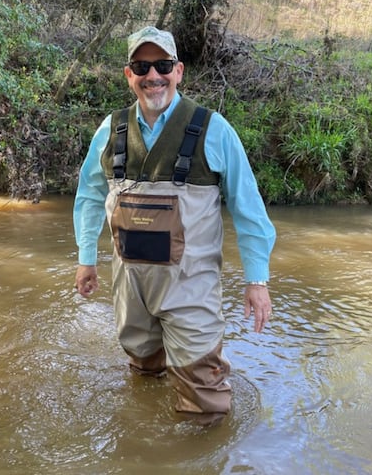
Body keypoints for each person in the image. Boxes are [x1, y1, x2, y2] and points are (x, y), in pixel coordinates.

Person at [72, 26, 277, 426]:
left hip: (191, 288)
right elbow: (88, 196)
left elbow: (249, 208)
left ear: (178, 71)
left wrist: (257, 281)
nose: (153, 75)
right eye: (142, 66)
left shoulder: (214, 129)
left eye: (163, 65)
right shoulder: (109, 131)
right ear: (129, 74)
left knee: (206, 401)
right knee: (144, 376)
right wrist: (86, 259)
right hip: (131, 288)